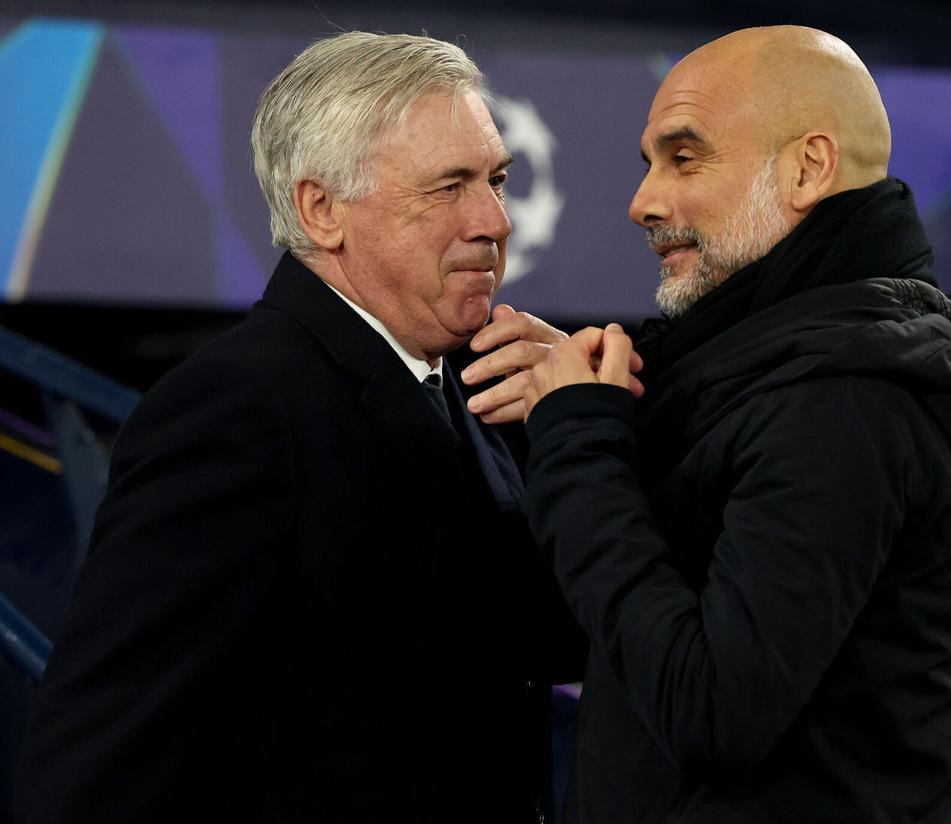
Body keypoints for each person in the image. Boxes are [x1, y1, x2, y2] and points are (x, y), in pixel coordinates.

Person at [466, 25, 951, 823]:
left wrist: (583, 445)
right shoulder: (773, 369)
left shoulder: (847, 406)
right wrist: (600, 404)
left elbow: (711, 713)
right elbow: (625, 622)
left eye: (685, 157)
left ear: (808, 169)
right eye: (649, 164)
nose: (643, 202)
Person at [18, 31, 582, 823]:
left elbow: (536, 638)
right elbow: (106, 747)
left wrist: (590, 433)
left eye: (495, 179)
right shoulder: (234, 409)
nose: (494, 219)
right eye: (449, 186)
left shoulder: (473, 386)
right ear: (322, 210)